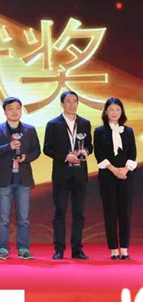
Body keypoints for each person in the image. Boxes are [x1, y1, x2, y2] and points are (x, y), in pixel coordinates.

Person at [0, 97, 41, 260]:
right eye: (10, 108)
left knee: (23, 217)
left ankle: (23, 248)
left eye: (18, 107)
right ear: (5, 112)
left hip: (23, 179)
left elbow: (36, 151)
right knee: (3, 217)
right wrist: (8, 147)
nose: (15, 111)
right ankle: (3, 248)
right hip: (4, 179)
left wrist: (26, 158)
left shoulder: (30, 130)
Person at [43, 91, 93, 260]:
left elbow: (89, 146)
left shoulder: (85, 123)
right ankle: (59, 249)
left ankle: (77, 249)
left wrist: (85, 151)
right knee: (60, 213)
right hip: (61, 174)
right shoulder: (53, 124)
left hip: (79, 174)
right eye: (68, 101)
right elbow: (47, 148)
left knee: (79, 213)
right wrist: (65, 156)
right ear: (62, 104)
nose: (72, 105)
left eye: (75, 101)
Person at [94, 97, 137, 260]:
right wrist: (114, 170)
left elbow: (132, 153)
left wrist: (124, 170)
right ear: (106, 112)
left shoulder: (128, 131)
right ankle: (113, 249)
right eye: (111, 109)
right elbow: (99, 154)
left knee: (125, 213)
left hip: (126, 175)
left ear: (122, 111)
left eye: (118, 109)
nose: (114, 112)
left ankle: (124, 249)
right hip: (107, 176)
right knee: (110, 212)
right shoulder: (99, 131)